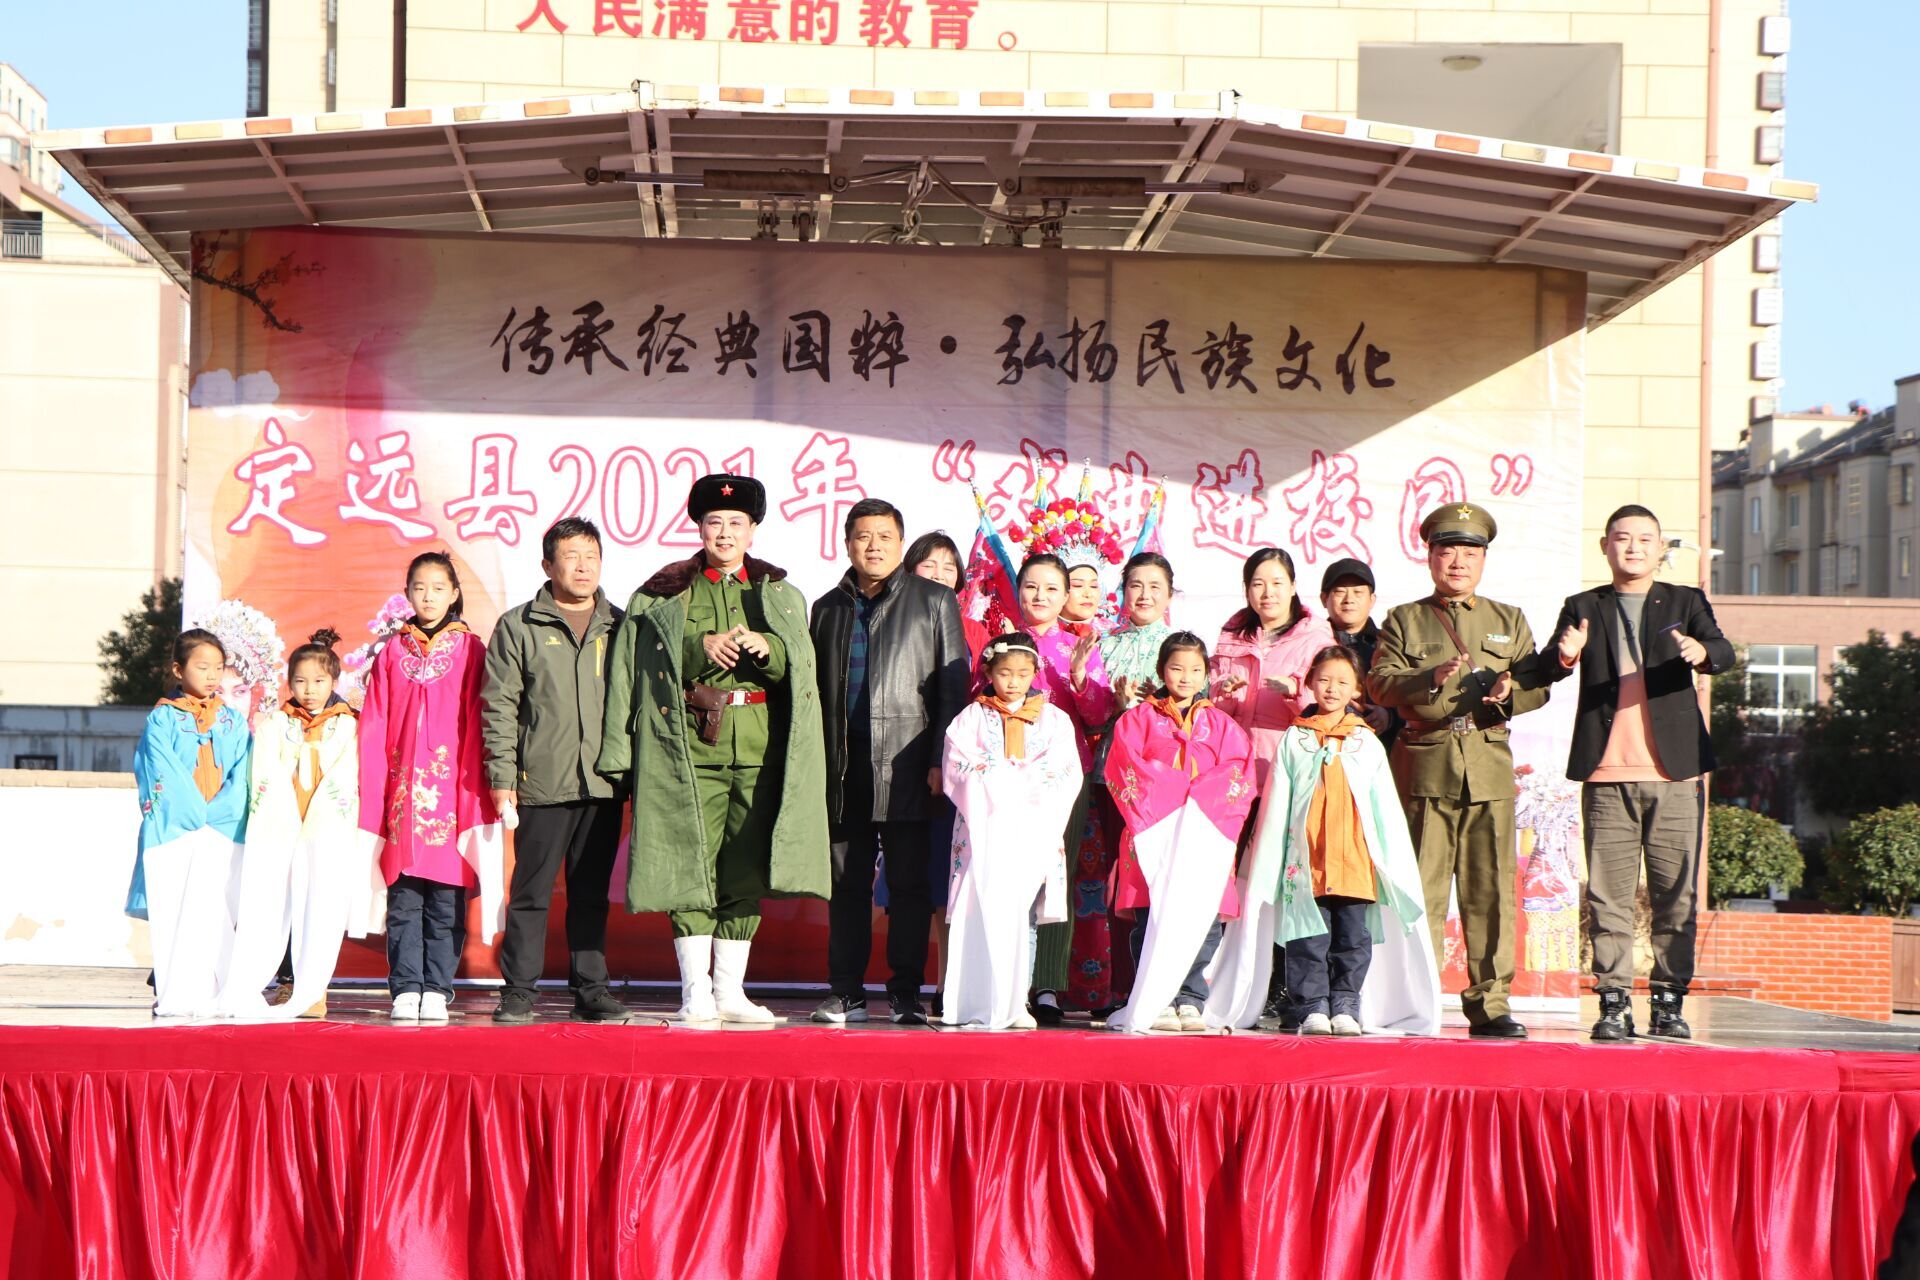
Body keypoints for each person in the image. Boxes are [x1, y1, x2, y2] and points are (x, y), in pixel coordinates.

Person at [598, 474, 829, 1024]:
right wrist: (696, 645)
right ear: (699, 528)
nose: (724, 533)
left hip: (758, 748)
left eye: (736, 523)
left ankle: (729, 991)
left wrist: (769, 647)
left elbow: (800, 669)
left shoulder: (780, 594)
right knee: (689, 861)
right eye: (714, 522)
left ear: (753, 530)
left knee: (744, 867)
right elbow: (632, 668)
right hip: (686, 748)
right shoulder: (662, 594)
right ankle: (695, 991)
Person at [1543, 504, 1734, 1041]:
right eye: (1622, 538)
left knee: (1676, 894)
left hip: (1676, 774)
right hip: (1606, 773)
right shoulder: (1583, 605)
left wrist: (1701, 651)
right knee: (1609, 897)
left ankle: (1669, 1002)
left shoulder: (1685, 601)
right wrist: (1564, 656)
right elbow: (1547, 664)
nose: (1633, 547)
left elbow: (1723, 651)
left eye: (1645, 539)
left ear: (1659, 548)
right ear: (1604, 545)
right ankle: (1613, 1002)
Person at [1366, 503, 1551, 1039]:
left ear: (1483, 560)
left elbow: (1537, 684)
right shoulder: (1405, 618)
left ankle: (1490, 1004)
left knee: (1490, 891)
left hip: (1488, 768)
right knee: (1420, 890)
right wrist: (1429, 677)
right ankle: (1416, 999)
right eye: (1447, 551)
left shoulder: (1508, 619)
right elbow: (1379, 684)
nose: (1458, 562)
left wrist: (1510, 692)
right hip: (1426, 765)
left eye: (1470, 553)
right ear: (1430, 557)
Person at [1211, 645, 1439, 1036]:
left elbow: (1384, 809)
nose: (1332, 689)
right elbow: (1277, 804)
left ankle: (1346, 1003)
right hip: (1307, 862)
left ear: (1357, 690)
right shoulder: (1295, 739)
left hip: (1355, 861)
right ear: (1311, 683)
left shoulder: (1365, 743)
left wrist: (1390, 861)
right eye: (1325, 680)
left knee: (1352, 938)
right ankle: (1313, 1005)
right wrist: (1270, 861)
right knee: (1307, 938)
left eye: (1343, 682)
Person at [811, 500, 968, 1026]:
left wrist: (939, 759)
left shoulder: (934, 600)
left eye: (884, 536)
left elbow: (952, 688)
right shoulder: (827, 608)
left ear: (901, 544)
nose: (873, 546)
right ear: (847, 544)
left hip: (910, 767)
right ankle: (846, 993)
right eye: (862, 536)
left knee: (909, 888)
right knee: (846, 886)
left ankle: (905, 993)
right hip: (844, 769)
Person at [482, 517, 628, 1025]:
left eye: (591, 555)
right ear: (548, 565)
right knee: (531, 893)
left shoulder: (622, 625)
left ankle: (592, 989)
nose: (583, 566)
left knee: (591, 894)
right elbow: (499, 706)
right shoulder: (518, 626)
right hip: (541, 783)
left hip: (604, 783)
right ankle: (519, 990)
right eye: (571, 556)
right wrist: (502, 777)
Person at [359, 552, 503, 1023]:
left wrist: (476, 790)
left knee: (445, 899)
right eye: (419, 588)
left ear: (454, 593)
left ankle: (438, 987)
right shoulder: (392, 652)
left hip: (451, 797)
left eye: (438, 588)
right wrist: (373, 790)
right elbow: (375, 723)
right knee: (403, 898)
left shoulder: (471, 650)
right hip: (401, 797)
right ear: (407, 593)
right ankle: (405, 986)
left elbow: (482, 721)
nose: (428, 597)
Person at [216, 629, 376, 1019]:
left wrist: (321, 811)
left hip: (327, 828)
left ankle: (313, 989)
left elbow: (349, 776)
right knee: (268, 904)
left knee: (322, 907)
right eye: (300, 681)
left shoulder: (351, 726)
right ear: (289, 682)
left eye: (319, 681)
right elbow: (264, 773)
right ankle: (250, 982)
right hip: (282, 825)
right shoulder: (274, 724)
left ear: (334, 681)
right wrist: (285, 811)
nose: (309, 690)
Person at [1103, 632, 1256, 1033]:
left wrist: (1198, 799)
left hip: (1204, 833)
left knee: (1203, 916)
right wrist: (1175, 793)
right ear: (1161, 670)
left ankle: (1190, 996)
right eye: (1176, 668)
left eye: (1195, 669)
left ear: (1206, 674)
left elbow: (1239, 772)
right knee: (1150, 914)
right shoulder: (1136, 720)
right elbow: (1124, 766)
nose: (1185, 677)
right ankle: (1157, 997)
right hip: (1153, 831)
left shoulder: (1222, 725)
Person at [940, 633, 1084, 1030]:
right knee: (980, 908)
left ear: (1035, 673)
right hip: (984, 827)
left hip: (1031, 830)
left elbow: (1064, 769)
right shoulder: (971, 717)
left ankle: (1017, 999)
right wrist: (1002, 780)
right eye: (1005, 673)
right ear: (989, 672)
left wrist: (1018, 783)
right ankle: (976, 998)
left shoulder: (1054, 719)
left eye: (1023, 674)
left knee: (1024, 914)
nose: (1014, 682)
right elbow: (958, 763)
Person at [1009, 553, 1114, 1022]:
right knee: (1012, 877)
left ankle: (1047, 985)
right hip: (1010, 778)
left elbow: (1098, 714)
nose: (1040, 596)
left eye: (1052, 588)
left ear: (1066, 596)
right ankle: (1010, 978)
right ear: (1018, 590)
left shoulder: (1080, 647)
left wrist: (1078, 676)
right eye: (1032, 586)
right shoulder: (1002, 646)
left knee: (1057, 879)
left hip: (1066, 778)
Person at [129, 629, 251, 1017]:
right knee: (176, 910)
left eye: (218, 667)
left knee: (217, 910)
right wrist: (197, 814)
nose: (212, 675)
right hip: (177, 830)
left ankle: (218, 989)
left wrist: (221, 813)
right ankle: (176, 990)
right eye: (202, 667)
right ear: (179, 670)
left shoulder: (232, 721)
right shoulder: (162, 719)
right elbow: (159, 769)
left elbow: (243, 774)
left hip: (221, 829)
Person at [1320, 556, 1397, 749]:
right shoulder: (1312, 644)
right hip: (1320, 745)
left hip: (1378, 748)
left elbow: (1408, 693)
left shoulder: (1390, 644)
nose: (1349, 600)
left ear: (1372, 600)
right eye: (1340, 592)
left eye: (1358, 592)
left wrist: (1389, 716)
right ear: (1324, 599)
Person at [907, 530, 988, 663]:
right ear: (911, 571)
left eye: (948, 569)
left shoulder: (975, 631)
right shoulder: (894, 621)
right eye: (929, 566)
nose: (938, 575)